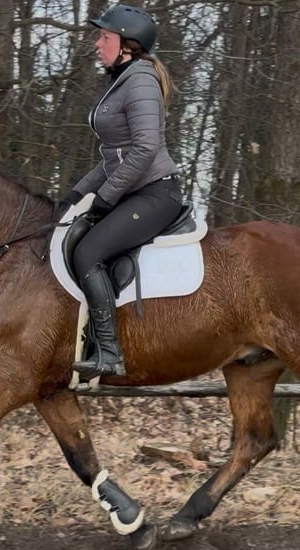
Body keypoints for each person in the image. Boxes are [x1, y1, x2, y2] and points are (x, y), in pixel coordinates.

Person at [63, 4, 182, 379]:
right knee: (74, 235)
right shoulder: (123, 79)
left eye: (105, 37)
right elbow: (113, 159)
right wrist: (73, 195)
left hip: (155, 194)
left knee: (87, 252)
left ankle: (110, 353)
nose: (97, 44)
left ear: (128, 45)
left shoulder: (141, 80)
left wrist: (104, 199)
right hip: (133, 191)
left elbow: (145, 149)